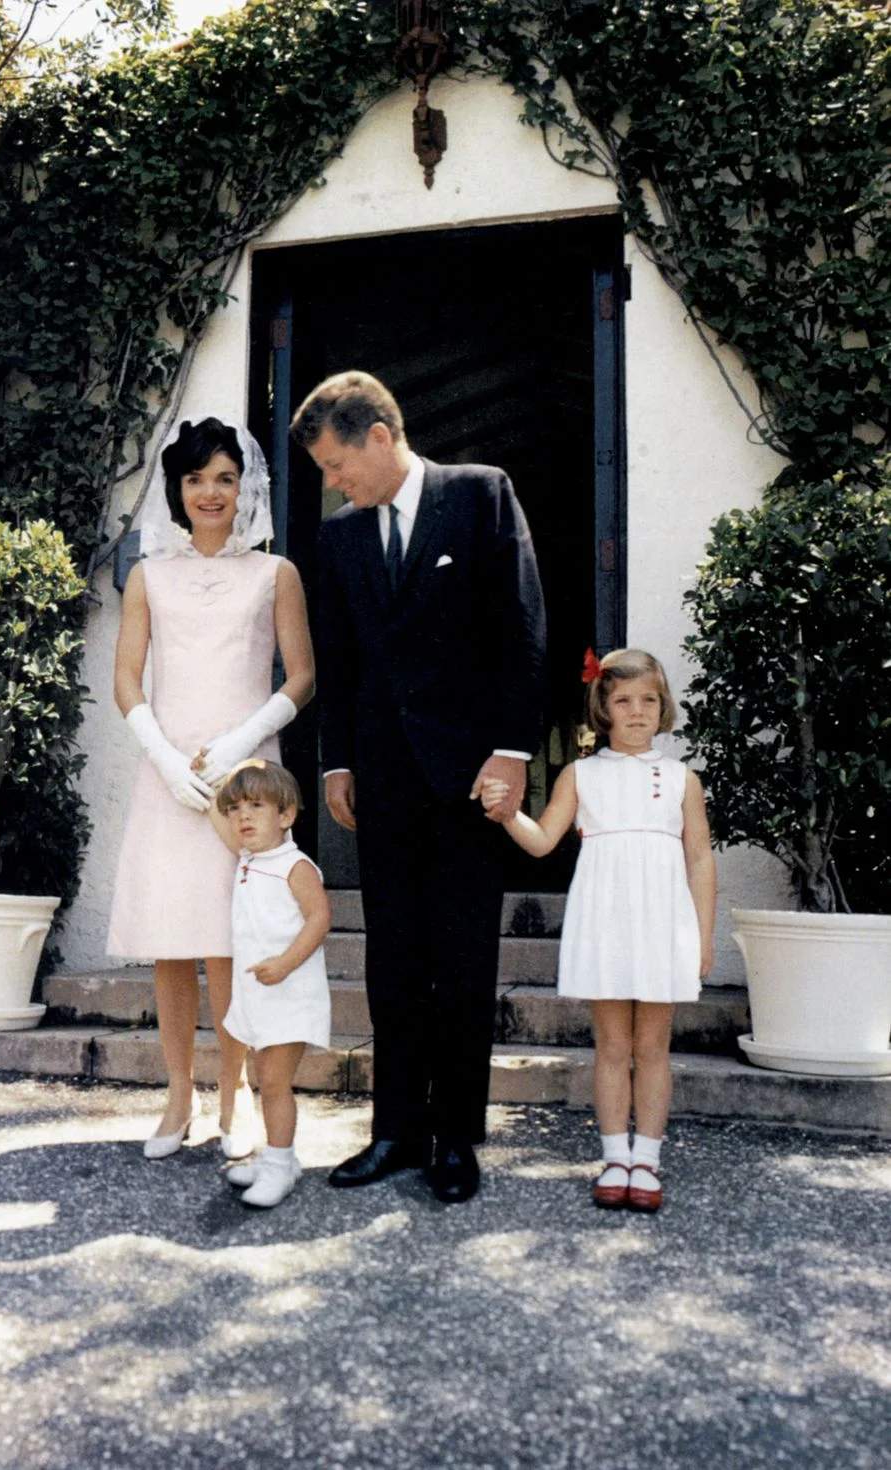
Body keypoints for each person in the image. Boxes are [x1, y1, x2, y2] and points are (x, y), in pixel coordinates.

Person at [290, 370, 546, 1205]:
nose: (331, 484)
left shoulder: (479, 495)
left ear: (378, 436)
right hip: (383, 779)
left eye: (335, 465)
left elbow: (522, 628)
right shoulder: (339, 538)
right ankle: (395, 1131)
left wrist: (513, 752)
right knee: (394, 959)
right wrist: (335, 761)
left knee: (463, 961)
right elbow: (341, 655)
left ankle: (455, 1140)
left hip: (471, 777)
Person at [108, 410, 315, 1161]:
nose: (211, 492)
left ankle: (235, 1101)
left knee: (233, 939)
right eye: (196, 478)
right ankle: (177, 1096)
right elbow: (127, 680)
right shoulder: (148, 576)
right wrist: (164, 756)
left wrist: (239, 742)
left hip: (245, 780)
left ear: (245, 486)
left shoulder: (274, 573)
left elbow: (303, 674)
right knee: (173, 942)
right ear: (178, 487)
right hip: (172, 777)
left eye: (225, 478)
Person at [482, 647, 716, 1212]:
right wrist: (507, 812)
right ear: (603, 708)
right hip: (607, 920)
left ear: (664, 708)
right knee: (612, 1046)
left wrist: (703, 937)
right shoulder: (580, 774)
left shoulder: (682, 779)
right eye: (623, 700)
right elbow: (541, 841)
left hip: (663, 922)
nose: (637, 712)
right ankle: (615, 1156)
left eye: (649, 700)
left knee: (653, 1046)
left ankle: (648, 1160)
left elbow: (701, 859)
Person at [209, 758, 331, 1208]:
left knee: (276, 1083)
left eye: (256, 806)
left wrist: (284, 963)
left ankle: (281, 1166)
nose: (242, 816)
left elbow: (319, 920)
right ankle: (277, 1156)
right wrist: (219, 773)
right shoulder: (249, 859)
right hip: (260, 995)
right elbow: (216, 811)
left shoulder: (294, 866)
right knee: (265, 1079)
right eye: (236, 807)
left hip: (290, 992)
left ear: (286, 815)